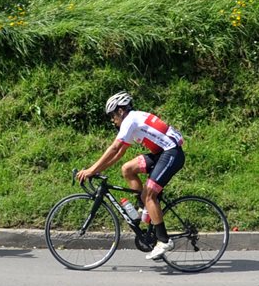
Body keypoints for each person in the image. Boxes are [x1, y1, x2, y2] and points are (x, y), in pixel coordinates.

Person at [77, 92, 186, 261]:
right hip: (162, 153)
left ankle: (164, 240)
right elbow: (119, 153)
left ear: (121, 111)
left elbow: (114, 148)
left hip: (171, 153)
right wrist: (98, 169)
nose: (112, 120)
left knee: (150, 195)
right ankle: (144, 207)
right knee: (127, 169)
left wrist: (91, 170)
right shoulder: (133, 120)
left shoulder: (130, 120)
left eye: (113, 115)